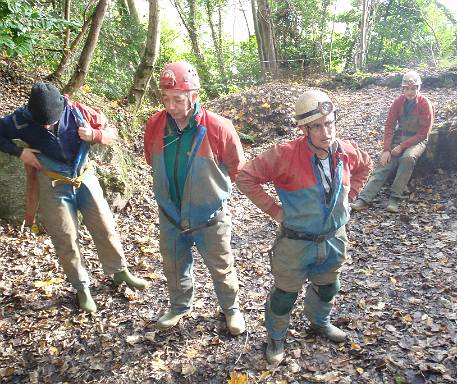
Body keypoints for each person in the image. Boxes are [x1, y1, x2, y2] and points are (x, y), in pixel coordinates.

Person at [236, 89, 373, 364]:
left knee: (328, 287)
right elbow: (245, 176)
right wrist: (275, 210)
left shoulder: (346, 152)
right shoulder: (284, 155)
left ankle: (319, 322)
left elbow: (366, 166)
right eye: (317, 127)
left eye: (330, 123)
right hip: (295, 243)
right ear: (304, 129)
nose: (326, 132)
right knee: (284, 295)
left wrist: (351, 197)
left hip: (334, 239)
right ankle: (276, 339)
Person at [0, 82, 149, 313]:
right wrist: (20, 152)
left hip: (84, 176)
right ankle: (82, 289)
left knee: (105, 225)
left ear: (62, 104)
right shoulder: (20, 119)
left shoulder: (79, 111)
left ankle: (120, 272)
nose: (48, 124)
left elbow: (112, 134)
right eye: (43, 122)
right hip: (52, 182)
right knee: (65, 237)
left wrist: (95, 134)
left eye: (52, 119)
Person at [143, 61, 246, 335]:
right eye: (165, 99)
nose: (170, 106)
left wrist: (216, 197)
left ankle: (231, 309)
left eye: (177, 99)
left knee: (221, 266)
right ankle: (179, 306)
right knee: (174, 265)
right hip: (170, 215)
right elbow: (151, 160)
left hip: (210, 217)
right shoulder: (154, 125)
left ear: (194, 97)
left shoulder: (218, 127)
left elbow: (238, 168)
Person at [350, 70, 434, 213]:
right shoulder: (398, 102)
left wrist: (402, 147)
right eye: (407, 89)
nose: (410, 92)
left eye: (413, 88)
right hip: (399, 136)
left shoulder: (425, 104)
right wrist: (387, 149)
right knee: (385, 163)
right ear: (403, 89)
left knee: (407, 158)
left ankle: (395, 197)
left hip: (417, 140)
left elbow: (423, 133)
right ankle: (364, 198)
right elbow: (389, 125)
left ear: (418, 88)